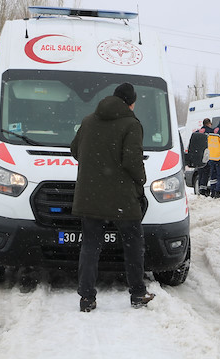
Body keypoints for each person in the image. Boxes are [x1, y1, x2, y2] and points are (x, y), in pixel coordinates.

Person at [70, 83, 155, 312]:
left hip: (90, 196)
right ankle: (137, 293)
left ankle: (86, 298)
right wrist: (141, 180)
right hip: (122, 198)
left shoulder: (88, 121)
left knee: (89, 246)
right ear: (131, 102)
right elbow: (132, 161)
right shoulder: (131, 124)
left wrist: (97, 165)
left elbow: (75, 150)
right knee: (133, 244)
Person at [196, 118, 214, 196]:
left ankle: (201, 188)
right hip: (208, 154)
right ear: (209, 124)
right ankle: (204, 189)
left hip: (199, 155)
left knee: (201, 173)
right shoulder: (211, 132)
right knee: (206, 172)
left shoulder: (197, 132)